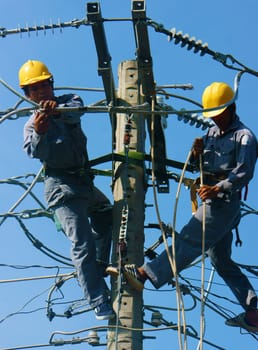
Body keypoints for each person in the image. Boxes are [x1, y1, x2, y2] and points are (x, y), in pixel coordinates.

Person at [107, 82, 258, 332]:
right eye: (213, 115)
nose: (216, 120)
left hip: (223, 204)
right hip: (211, 199)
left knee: (189, 239)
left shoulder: (245, 137)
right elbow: (197, 166)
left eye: (219, 114)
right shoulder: (210, 133)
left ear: (231, 109)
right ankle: (254, 310)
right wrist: (195, 154)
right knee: (220, 259)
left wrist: (217, 188)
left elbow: (243, 173)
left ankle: (144, 275)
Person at [20, 59, 115, 321]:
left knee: (108, 215)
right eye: (34, 89)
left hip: (84, 184)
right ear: (27, 95)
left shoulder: (69, 100)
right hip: (61, 189)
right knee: (81, 243)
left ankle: (97, 269)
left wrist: (57, 112)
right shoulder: (31, 125)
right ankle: (98, 300)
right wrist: (41, 131)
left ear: (51, 85)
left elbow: (76, 111)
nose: (40, 92)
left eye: (43, 86)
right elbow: (35, 152)